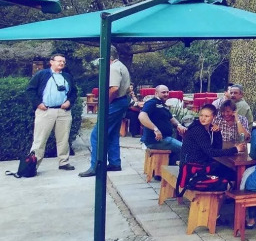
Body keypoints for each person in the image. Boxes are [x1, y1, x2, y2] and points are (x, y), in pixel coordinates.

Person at [80, 46, 131, 177]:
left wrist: (105, 103)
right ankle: (114, 163)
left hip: (115, 103)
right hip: (121, 101)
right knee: (113, 133)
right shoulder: (121, 65)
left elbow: (114, 89)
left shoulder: (113, 68)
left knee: (97, 135)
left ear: (108, 56)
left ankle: (95, 166)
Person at [26, 54, 77, 171]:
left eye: (63, 62)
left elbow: (74, 92)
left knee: (63, 139)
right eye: (59, 61)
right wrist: (38, 104)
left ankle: (64, 162)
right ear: (51, 62)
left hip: (63, 112)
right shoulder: (42, 74)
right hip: (45, 111)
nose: (61, 63)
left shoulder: (67, 76)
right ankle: (32, 165)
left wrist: (69, 102)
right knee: (39, 140)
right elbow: (30, 90)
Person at [180, 104, 242, 182]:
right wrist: (235, 149)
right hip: (191, 166)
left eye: (207, 116)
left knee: (231, 171)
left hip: (201, 162)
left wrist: (217, 132)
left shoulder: (208, 128)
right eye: (201, 115)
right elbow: (211, 152)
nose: (203, 118)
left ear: (214, 117)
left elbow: (218, 148)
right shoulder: (197, 130)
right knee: (233, 175)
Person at [138, 85, 187, 164]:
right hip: (156, 140)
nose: (166, 94)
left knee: (178, 152)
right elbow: (142, 116)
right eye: (163, 92)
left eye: (167, 92)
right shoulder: (152, 103)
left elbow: (171, 118)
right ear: (156, 93)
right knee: (186, 148)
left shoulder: (163, 105)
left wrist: (179, 125)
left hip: (166, 139)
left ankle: (169, 168)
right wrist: (155, 129)